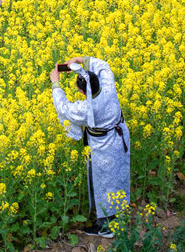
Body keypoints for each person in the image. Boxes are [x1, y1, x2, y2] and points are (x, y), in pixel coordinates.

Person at [50, 56, 130, 238]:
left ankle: (107, 227)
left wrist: (55, 83)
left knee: (105, 184)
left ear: (82, 91)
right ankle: (119, 217)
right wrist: (80, 60)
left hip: (103, 148)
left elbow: (63, 108)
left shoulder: (86, 109)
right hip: (119, 137)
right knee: (118, 178)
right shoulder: (108, 86)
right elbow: (103, 66)